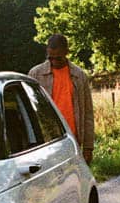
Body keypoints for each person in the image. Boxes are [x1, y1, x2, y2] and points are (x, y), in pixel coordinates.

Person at [28, 33, 95, 164]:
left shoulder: (79, 76)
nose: (53, 62)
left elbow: (88, 114)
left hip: (72, 141)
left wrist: (88, 147)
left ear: (67, 52)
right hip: (45, 142)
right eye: (50, 58)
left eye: (58, 58)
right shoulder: (35, 74)